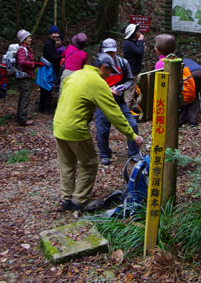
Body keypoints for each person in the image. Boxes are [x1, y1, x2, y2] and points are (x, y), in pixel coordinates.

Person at [53, 53, 144, 211]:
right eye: (110, 71)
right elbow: (113, 112)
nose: (110, 75)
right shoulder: (97, 82)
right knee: (89, 163)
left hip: (59, 125)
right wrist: (132, 134)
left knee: (67, 164)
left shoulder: (76, 75)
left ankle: (66, 198)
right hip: (75, 128)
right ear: (103, 68)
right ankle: (79, 201)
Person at [95, 38, 141, 166]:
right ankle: (104, 154)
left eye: (112, 52)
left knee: (132, 124)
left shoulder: (123, 63)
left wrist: (121, 88)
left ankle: (134, 153)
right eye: (107, 52)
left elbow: (130, 80)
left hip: (119, 101)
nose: (110, 55)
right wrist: (106, 90)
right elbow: (92, 83)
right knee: (102, 129)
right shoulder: (97, 65)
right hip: (102, 102)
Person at [39, 25, 62, 113]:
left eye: (57, 33)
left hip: (47, 68)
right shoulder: (49, 44)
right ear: (50, 34)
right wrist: (61, 57)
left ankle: (43, 106)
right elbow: (52, 56)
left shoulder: (51, 43)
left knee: (45, 87)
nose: (56, 35)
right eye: (54, 33)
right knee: (47, 87)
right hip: (47, 68)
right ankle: (46, 108)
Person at [16, 29, 35, 126]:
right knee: (25, 97)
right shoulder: (22, 49)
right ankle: (23, 119)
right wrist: (33, 64)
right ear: (24, 39)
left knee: (23, 96)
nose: (31, 39)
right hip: (24, 77)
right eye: (29, 38)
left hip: (26, 76)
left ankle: (21, 115)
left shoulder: (26, 49)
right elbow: (22, 61)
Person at [123, 23, 145, 109]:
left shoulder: (131, 42)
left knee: (134, 92)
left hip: (134, 71)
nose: (139, 32)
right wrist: (141, 41)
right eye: (137, 31)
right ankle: (125, 115)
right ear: (133, 33)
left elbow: (139, 51)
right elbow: (139, 52)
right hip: (131, 72)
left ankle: (132, 111)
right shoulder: (129, 43)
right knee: (130, 94)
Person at [179, 58, 201, 126]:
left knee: (185, 96)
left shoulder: (179, 64)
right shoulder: (188, 60)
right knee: (194, 96)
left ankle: (180, 120)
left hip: (191, 75)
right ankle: (193, 120)